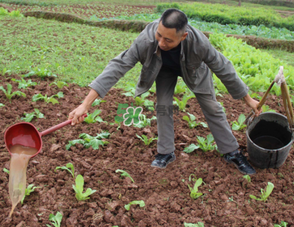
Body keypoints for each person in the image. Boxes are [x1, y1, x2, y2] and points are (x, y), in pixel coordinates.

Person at [68, 8, 261, 175]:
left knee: (212, 107)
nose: (161, 42)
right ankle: (165, 152)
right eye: (159, 35)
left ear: (183, 36)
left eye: (168, 39)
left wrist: (248, 99)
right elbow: (118, 67)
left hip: (193, 70)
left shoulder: (199, 44)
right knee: (163, 106)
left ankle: (232, 152)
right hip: (162, 68)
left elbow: (223, 68)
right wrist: (85, 104)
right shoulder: (146, 40)